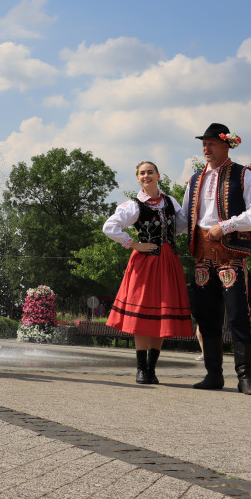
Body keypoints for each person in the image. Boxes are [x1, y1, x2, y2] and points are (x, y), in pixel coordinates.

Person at [179, 123, 251, 395]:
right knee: (206, 316)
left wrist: (226, 226)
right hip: (202, 255)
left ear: (226, 144)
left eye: (211, 143)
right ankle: (213, 375)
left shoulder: (243, 175)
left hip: (230, 255)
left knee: (239, 315)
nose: (206, 148)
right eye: (204, 143)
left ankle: (245, 377)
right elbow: (183, 219)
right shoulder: (194, 180)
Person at [102, 161, 193, 384]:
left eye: (150, 172)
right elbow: (109, 227)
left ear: (158, 175)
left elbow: (181, 226)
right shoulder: (133, 205)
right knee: (143, 314)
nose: (146, 176)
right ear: (138, 178)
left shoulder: (170, 201)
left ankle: (152, 369)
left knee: (160, 314)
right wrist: (134, 244)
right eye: (142, 173)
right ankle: (141, 368)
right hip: (145, 263)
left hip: (168, 262)